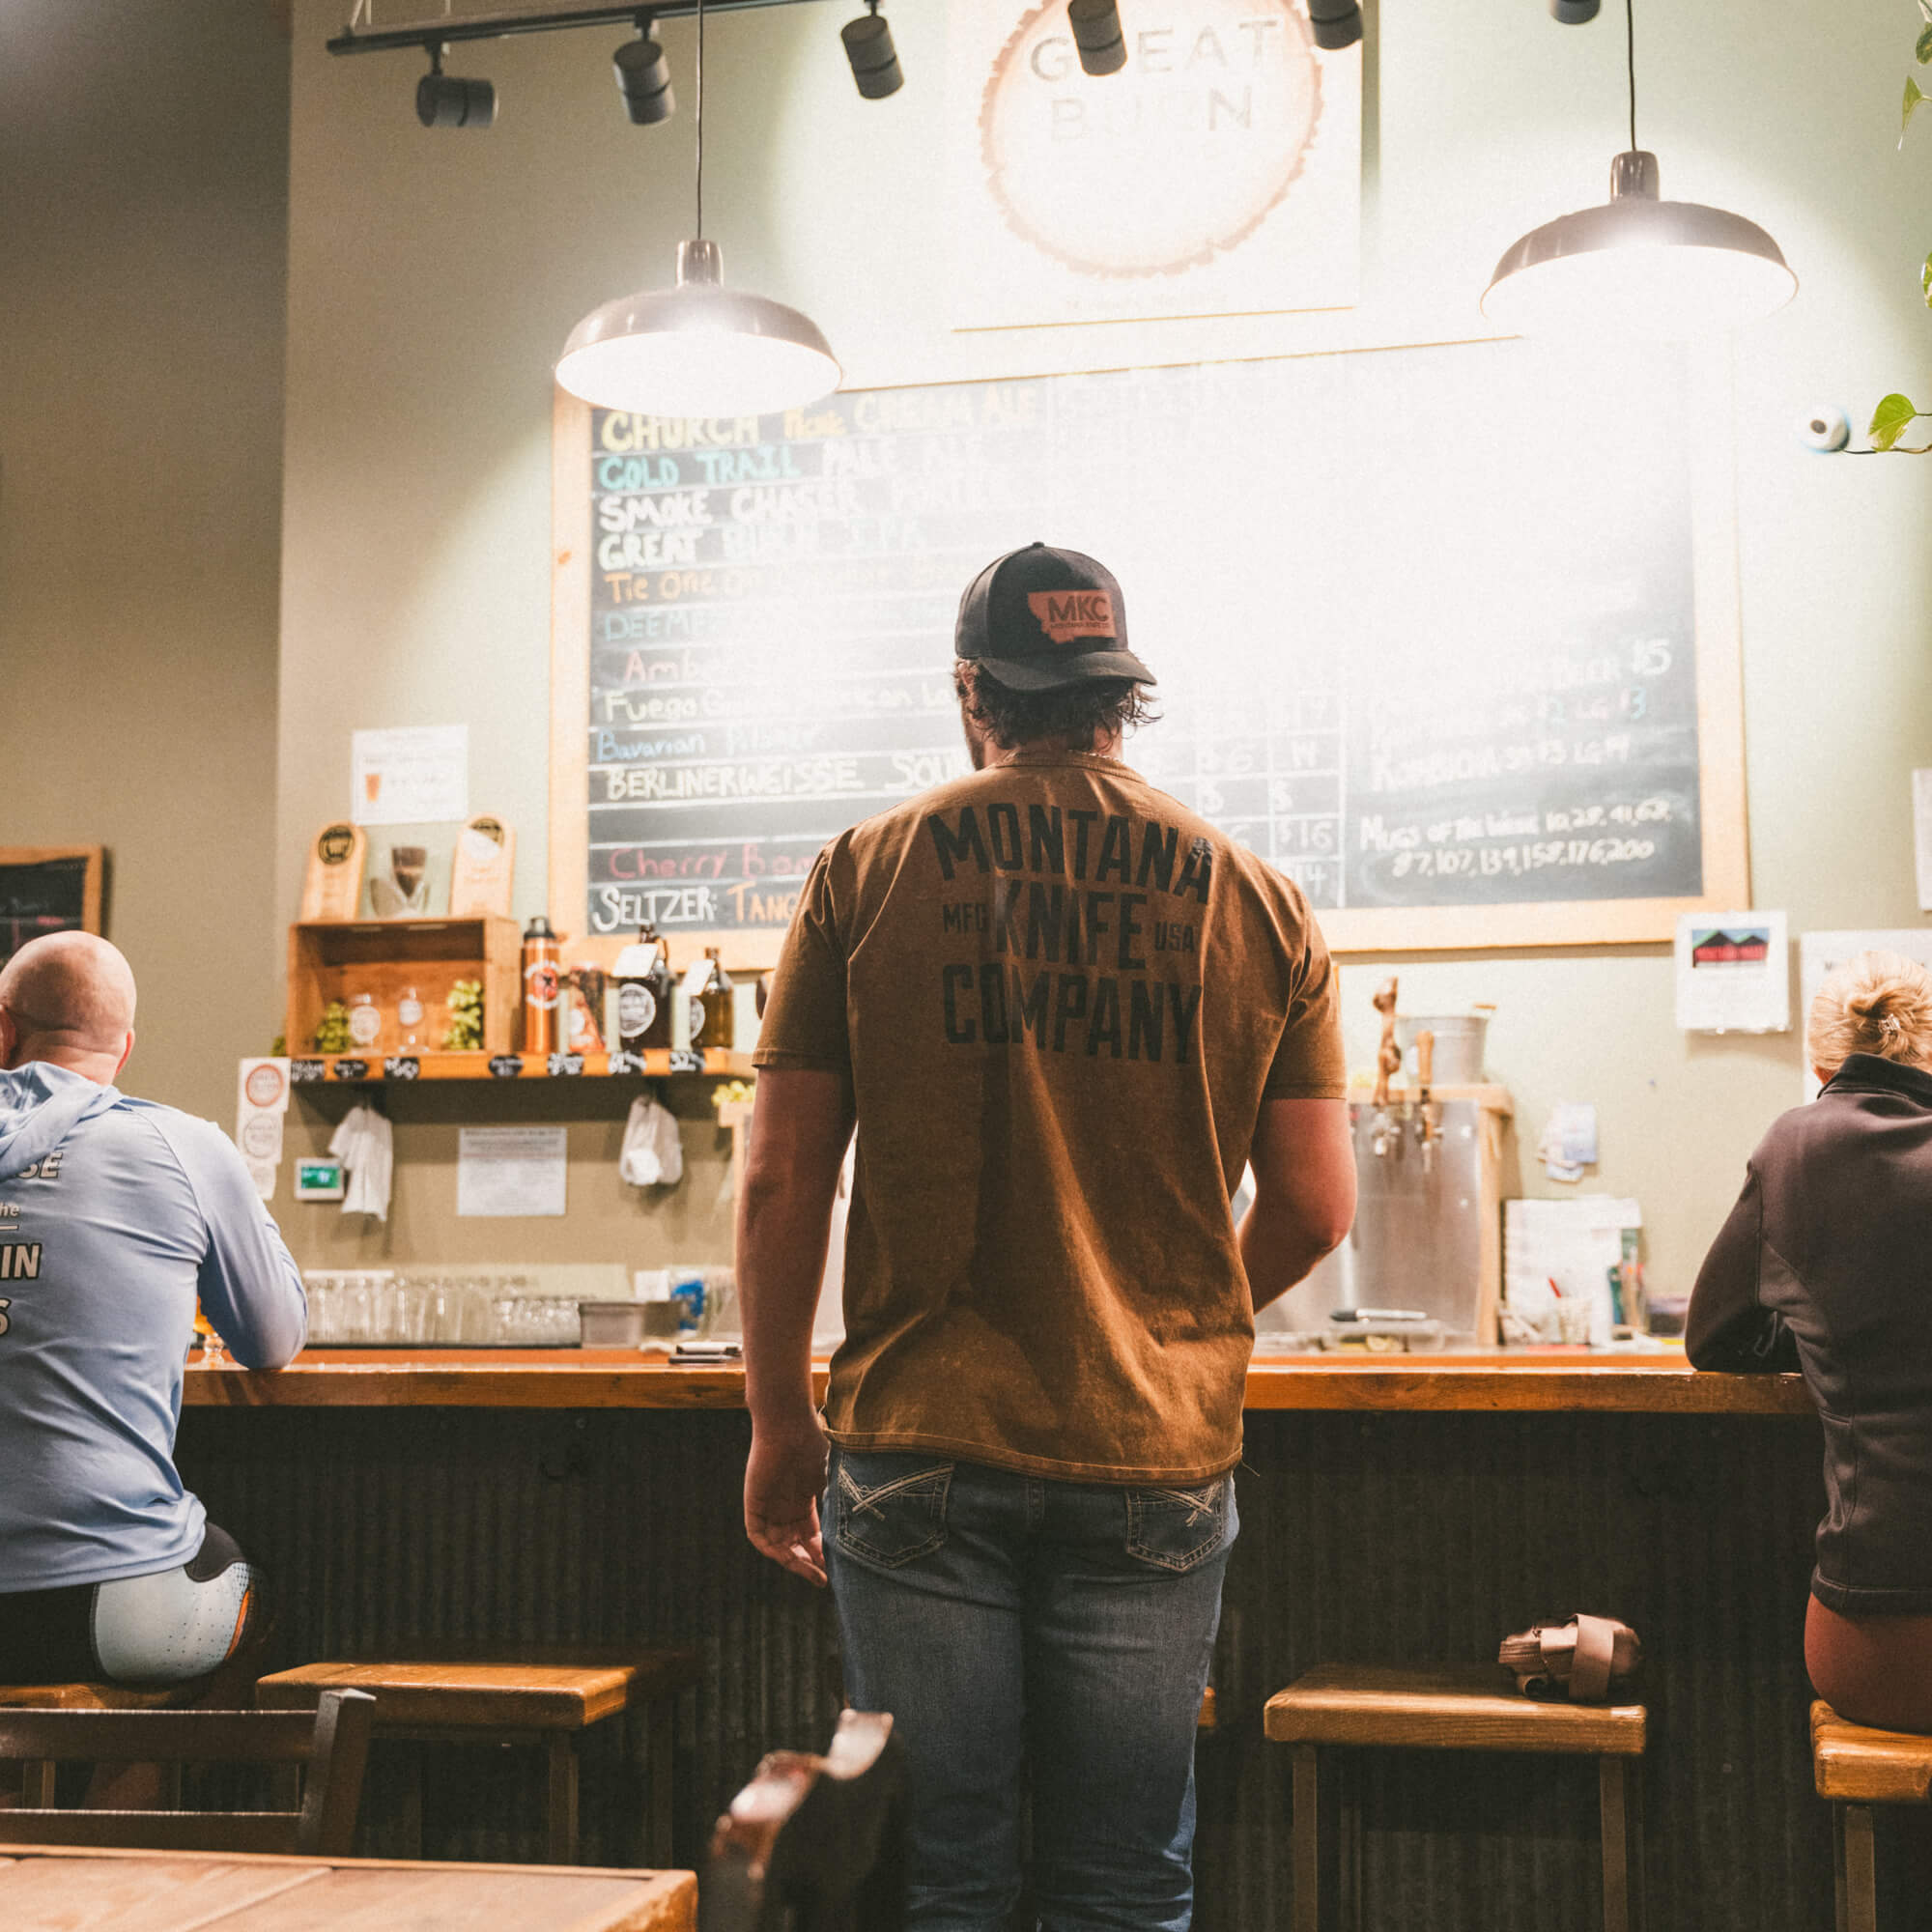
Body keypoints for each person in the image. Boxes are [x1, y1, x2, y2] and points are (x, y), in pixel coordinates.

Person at [738, 542, 1356, 1928]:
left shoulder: (865, 870)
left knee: (946, 1871)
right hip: (1154, 1441)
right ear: (1118, 697)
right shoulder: (1261, 902)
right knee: (1125, 1879)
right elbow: (1318, 1209)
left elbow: (783, 1177)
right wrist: (1184, 1306)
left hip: (921, 1443)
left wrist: (779, 1418)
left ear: (975, 692)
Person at [0, 931, 306, 1687]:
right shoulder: (183, 1146)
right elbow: (274, 1339)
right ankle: (121, 1803)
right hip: (102, 1608)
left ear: (3, 1028)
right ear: (124, 1046)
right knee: (241, 1594)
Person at [1689, 948, 1932, 1733]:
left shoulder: (1796, 1146)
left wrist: (1829, 1337)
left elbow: (1715, 1337)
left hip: (1882, 1634)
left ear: (1821, 1059)